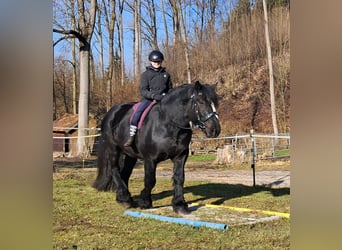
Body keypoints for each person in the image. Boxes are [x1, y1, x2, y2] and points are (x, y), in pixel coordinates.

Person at [124, 50, 173, 146]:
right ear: (150, 62)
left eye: (159, 62)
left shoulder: (166, 75)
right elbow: (143, 90)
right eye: (155, 62)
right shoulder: (145, 75)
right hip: (149, 99)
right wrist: (154, 96)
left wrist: (167, 96)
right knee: (137, 114)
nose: (157, 63)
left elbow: (170, 88)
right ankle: (132, 136)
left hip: (164, 100)